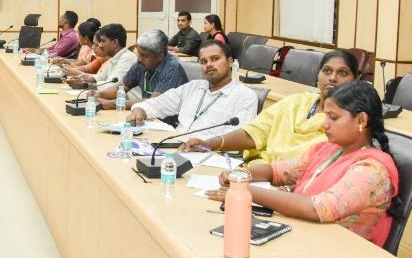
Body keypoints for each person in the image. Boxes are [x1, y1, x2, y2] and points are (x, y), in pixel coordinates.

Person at [205, 81, 400, 247]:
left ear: (361, 120)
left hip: (342, 255)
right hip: (308, 238)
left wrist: (244, 190)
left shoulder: (372, 171)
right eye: (325, 116)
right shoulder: (329, 149)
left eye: (333, 117)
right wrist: (241, 174)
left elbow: (315, 209)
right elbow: (277, 171)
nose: (324, 124)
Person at [183, 49, 360, 164]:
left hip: (291, 186)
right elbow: (256, 132)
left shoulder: (348, 123)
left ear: (355, 80)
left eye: (342, 73)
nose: (333, 78)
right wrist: (209, 144)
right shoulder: (296, 102)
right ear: (318, 75)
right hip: (256, 173)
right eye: (327, 71)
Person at [126, 41, 258, 138]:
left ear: (230, 62)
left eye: (215, 59)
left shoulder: (245, 96)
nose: (209, 65)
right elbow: (160, 103)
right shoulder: (193, 87)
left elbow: (239, 137)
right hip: (176, 146)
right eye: (203, 62)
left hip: (210, 155)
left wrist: (206, 145)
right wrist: (140, 110)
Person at [95, 29, 188, 111]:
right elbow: (120, 88)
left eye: (144, 55)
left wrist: (112, 104)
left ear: (160, 56)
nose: (139, 59)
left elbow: (154, 103)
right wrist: (98, 94)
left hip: (168, 122)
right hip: (145, 116)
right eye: (139, 53)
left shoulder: (172, 68)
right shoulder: (140, 64)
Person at [65, 23, 136, 88]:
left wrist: (84, 85)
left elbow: (112, 86)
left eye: (103, 41)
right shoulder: (113, 58)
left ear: (115, 42)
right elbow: (99, 77)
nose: (100, 45)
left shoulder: (127, 58)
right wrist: (80, 79)